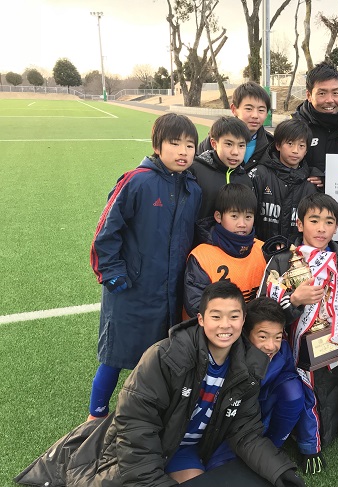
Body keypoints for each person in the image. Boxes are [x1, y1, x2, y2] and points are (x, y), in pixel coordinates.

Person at [20, 282, 306, 487]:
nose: (225, 325)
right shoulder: (164, 357)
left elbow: (246, 433)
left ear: (243, 321)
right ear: (200, 319)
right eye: (216, 316)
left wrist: (281, 471)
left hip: (184, 451)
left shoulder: (247, 366)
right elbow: (136, 433)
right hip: (146, 449)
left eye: (233, 317)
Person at [87, 113, 201, 421]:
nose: (183, 151)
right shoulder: (137, 181)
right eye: (174, 143)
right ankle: (95, 416)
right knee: (113, 357)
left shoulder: (193, 187)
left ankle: (145, 414)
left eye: (190, 145)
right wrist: (112, 273)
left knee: (158, 358)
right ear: (157, 145)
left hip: (169, 294)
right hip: (131, 291)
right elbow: (105, 233)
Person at [260, 193, 338, 450]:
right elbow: (262, 309)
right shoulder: (282, 260)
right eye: (314, 220)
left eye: (329, 222)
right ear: (300, 223)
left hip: (326, 344)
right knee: (291, 393)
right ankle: (286, 440)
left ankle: (318, 439)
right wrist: (294, 301)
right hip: (286, 347)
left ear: (336, 227)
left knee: (326, 391)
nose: (321, 228)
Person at [206, 297, 326, 476]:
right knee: (218, 469)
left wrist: (310, 445)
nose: (271, 345)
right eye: (263, 336)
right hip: (231, 423)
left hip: (261, 417)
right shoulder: (228, 353)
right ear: (246, 332)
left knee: (293, 390)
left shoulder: (282, 352)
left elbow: (304, 397)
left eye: (277, 337)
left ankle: (272, 446)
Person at [184, 184, 266, 318]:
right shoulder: (201, 256)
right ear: (218, 216)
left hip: (256, 331)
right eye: (234, 216)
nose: (242, 224)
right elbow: (196, 306)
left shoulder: (263, 250)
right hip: (217, 333)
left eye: (248, 217)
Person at [248, 118, 318, 243]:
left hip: (297, 257)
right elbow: (247, 215)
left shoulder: (311, 183)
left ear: (306, 150)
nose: (295, 150)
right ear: (278, 145)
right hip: (259, 251)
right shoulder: (259, 175)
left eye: (301, 146)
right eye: (290, 144)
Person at [292, 62, 338, 186]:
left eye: (335, 93)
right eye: (322, 93)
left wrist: (331, 178)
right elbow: (283, 164)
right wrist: (313, 173)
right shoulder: (295, 127)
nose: (330, 100)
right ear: (309, 95)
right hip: (307, 201)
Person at [197, 81, 273, 171]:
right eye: (249, 109)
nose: (255, 115)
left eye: (261, 110)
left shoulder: (272, 144)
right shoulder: (213, 141)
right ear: (234, 109)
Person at [191, 116, 255, 220]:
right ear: (214, 144)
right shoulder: (195, 171)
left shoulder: (245, 180)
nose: (235, 152)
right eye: (229, 144)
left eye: (241, 146)